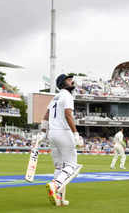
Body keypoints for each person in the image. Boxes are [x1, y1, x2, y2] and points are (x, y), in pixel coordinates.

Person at [42, 74, 83, 206]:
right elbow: (68, 114)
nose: (71, 81)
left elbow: (46, 115)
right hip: (63, 133)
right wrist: (76, 133)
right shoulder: (67, 95)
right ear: (63, 83)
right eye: (69, 80)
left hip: (52, 134)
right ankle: (55, 185)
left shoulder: (55, 97)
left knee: (60, 167)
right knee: (72, 166)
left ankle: (58, 198)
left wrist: (42, 132)